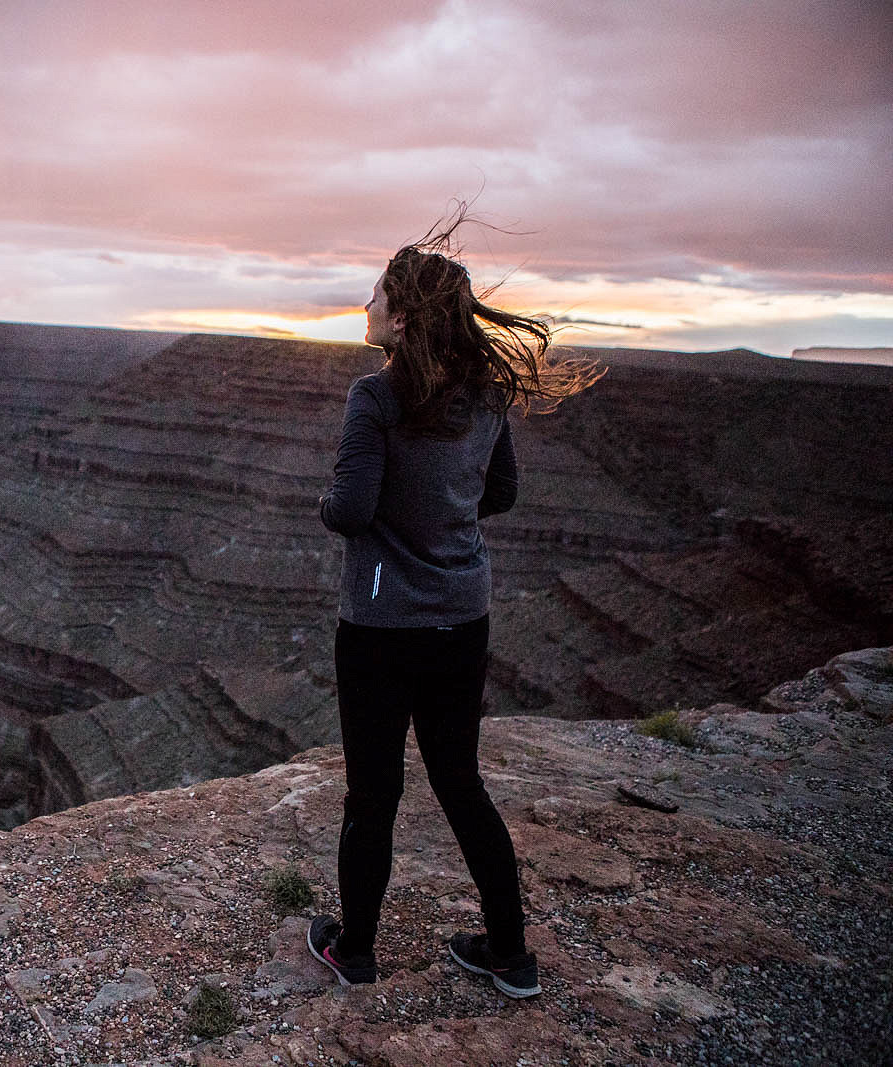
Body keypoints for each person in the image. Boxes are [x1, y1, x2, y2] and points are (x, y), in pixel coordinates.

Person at [305, 210, 603, 999]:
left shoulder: (374, 397)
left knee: (374, 791)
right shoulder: (486, 395)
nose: (364, 305)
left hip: (379, 627)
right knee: (460, 781)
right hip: (461, 618)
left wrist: (325, 498)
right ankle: (509, 953)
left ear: (399, 317)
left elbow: (352, 507)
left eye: (374, 294)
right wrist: (445, 512)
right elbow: (499, 491)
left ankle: (356, 948)